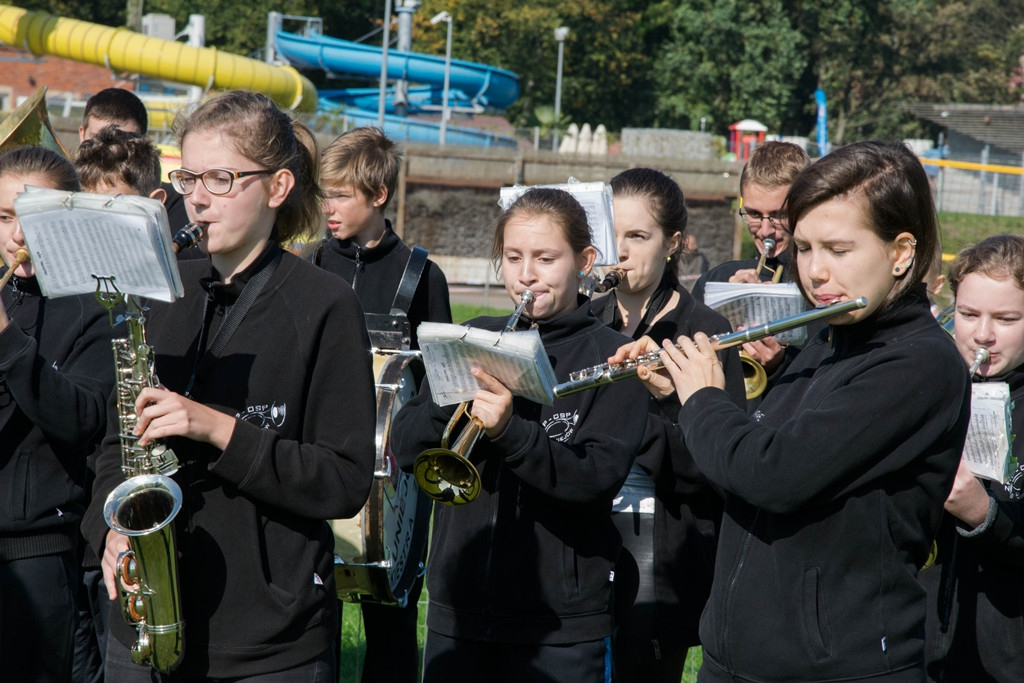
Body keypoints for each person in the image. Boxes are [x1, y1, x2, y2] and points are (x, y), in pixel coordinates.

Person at [613, 141, 972, 681]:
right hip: (736, 660)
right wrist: (676, 392)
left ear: (901, 252)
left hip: (834, 667)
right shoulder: (828, 339)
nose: (815, 272)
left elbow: (773, 474)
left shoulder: (918, 365)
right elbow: (738, 460)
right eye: (804, 249)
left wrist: (705, 398)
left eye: (838, 249)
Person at [80, 89, 378, 681]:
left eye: (221, 179)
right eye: (189, 178)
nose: (196, 199)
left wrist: (217, 429)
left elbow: (343, 481)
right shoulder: (159, 291)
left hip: (267, 642)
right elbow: (117, 443)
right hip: (143, 625)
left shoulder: (326, 305)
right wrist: (108, 528)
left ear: (277, 187)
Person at [391, 187, 650, 682]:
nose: (526, 275)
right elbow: (405, 447)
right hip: (457, 613)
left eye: (545, 258)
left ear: (585, 260)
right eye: (513, 258)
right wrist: (448, 392)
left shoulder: (614, 359)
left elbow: (593, 480)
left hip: (560, 626)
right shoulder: (475, 337)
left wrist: (511, 432)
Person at [589, 168, 744, 682]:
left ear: (673, 243)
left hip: (664, 546)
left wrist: (667, 405)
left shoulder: (706, 330)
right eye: (613, 237)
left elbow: (723, 465)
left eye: (638, 236)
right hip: (582, 538)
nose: (622, 252)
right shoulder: (584, 319)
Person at [315, 126, 451, 683]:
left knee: (391, 625)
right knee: (312, 615)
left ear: (378, 196)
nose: (329, 207)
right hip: (320, 463)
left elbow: (442, 384)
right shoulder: (311, 263)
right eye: (325, 193)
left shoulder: (422, 275)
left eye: (342, 195)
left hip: (396, 480)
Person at [0, 146, 117, 682]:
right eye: (3, 218)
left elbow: (82, 420)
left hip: (36, 550)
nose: (17, 237)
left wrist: (7, 339)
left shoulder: (93, 307)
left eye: (31, 219)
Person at [923, 234, 1024, 682]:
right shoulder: (927, 385)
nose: (983, 334)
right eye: (967, 315)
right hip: (916, 641)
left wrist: (983, 514)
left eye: (1006, 318)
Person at [692, 141, 811, 407]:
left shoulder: (823, 287)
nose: (766, 231)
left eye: (779, 215)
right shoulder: (716, 280)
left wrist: (780, 364)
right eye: (754, 215)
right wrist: (722, 312)